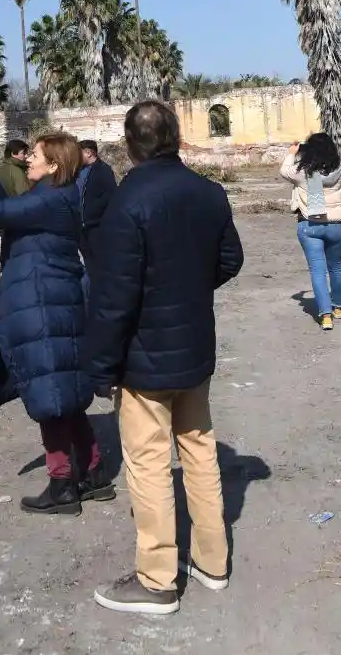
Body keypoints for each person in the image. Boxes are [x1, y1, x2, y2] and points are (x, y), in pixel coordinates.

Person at [84, 101, 244, 617]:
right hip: (193, 351)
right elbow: (229, 259)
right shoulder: (208, 193)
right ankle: (211, 562)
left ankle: (157, 581)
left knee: (149, 463)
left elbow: (114, 298)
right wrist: (187, 290)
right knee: (199, 453)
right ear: (176, 136)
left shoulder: (126, 203)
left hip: (144, 359)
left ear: (129, 144)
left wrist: (101, 368)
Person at [0, 132, 115, 516]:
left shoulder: (49, 199)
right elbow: (6, 209)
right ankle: (93, 475)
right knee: (67, 393)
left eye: (36, 156)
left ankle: (62, 485)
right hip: (52, 299)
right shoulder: (55, 197)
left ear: (55, 165)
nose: (28, 159)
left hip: (43, 302)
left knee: (50, 396)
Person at [280, 133, 341, 332]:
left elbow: (284, 171)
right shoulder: (340, 169)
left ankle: (325, 316)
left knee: (318, 271)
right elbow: (322, 172)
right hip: (336, 225)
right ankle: (338, 307)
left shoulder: (303, 172)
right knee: (336, 267)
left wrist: (292, 154)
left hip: (311, 225)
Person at [77, 139, 118, 285]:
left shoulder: (103, 170)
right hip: (80, 227)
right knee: (88, 262)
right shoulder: (78, 171)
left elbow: (112, 194)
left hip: (96, 226)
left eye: (79, 153)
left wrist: (94, 210)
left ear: (89, 153)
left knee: (99, 263)